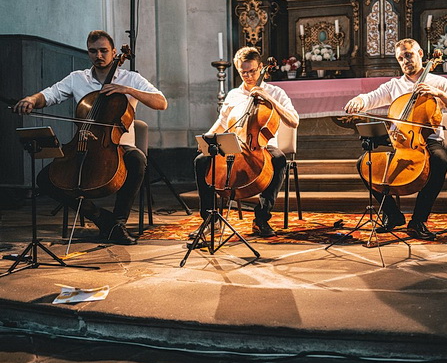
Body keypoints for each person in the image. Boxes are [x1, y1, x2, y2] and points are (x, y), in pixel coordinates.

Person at [13, 30, 168, 245]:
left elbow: (161, 102)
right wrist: (31, 99)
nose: (99, 55)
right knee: (46, 179)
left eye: (104, 51)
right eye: (93, 51)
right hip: (83, 144)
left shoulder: (131, 78)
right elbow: (50, 94)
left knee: (138, 160)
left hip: (118, 146)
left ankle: (119, 222)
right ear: (88, 53)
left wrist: (127, 90)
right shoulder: (78, 78)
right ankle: (101, 218)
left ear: (114, 53)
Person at [344, 38, 447, 241]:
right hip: (398, 141)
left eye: (408, 55)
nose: (405, 61)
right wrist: (360, 100)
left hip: (427, 139)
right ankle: (392, 215)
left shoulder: (439, 83)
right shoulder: (394, 86)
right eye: (400, 58)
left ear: (420, 54)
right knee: (365, 164)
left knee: (439, 161)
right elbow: (371, 97)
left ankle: (418, 220)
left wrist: (439, 94)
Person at [193, 46, 299, 238]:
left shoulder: (276, 92)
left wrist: (269, 99)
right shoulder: (234, 94)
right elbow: (223, 122)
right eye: (243, 72)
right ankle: (211, 220)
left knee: (279, 160)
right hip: (235, 145)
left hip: (263, 146)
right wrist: (207, 138)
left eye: (252, 71)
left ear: (261, 68)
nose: (249, 76)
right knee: (201, 160)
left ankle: (261, 219)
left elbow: (294, 121)